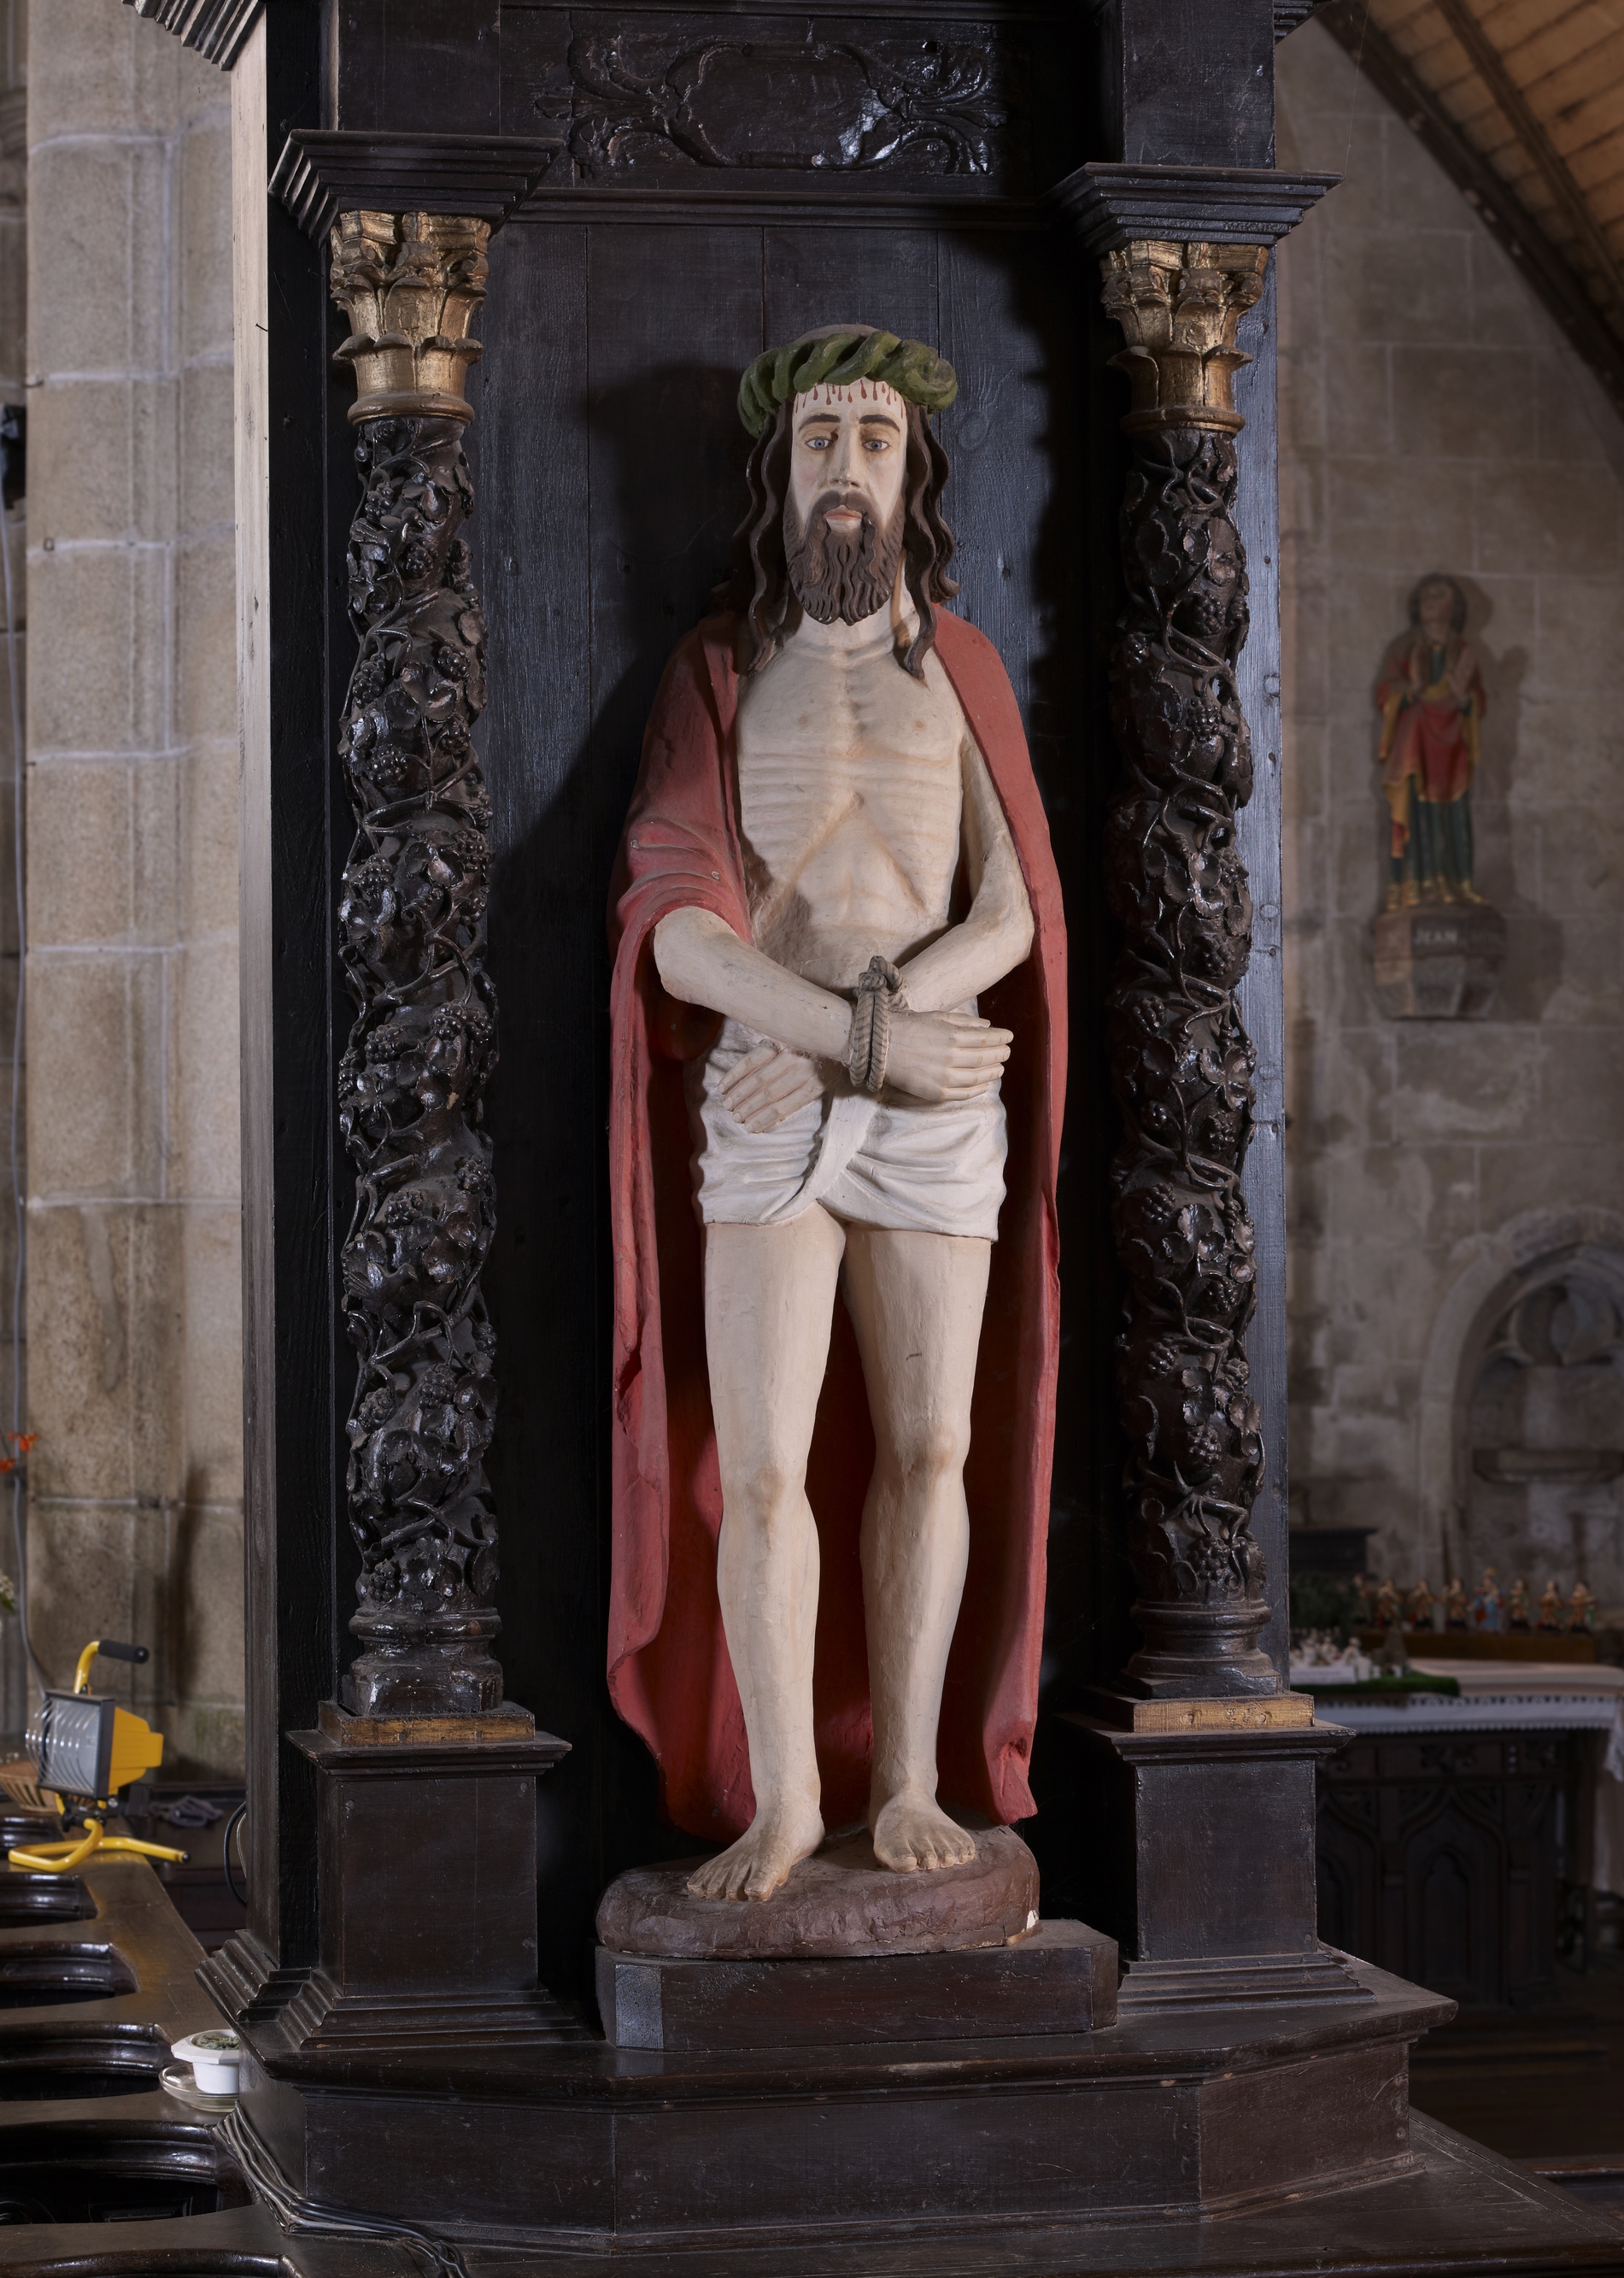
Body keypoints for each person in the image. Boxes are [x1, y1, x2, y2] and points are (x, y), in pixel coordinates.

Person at [607, 327, 1066, 1900]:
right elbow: (677, 925)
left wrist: (881, 1035)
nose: (848, 470)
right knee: (762, 1465)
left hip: (934, 1095)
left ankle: (913, 1778)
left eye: (875, 440)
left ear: (913, 468)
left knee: (933, 1443)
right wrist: (837, 1045)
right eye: (820, 441)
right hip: (768, 1091)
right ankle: (791, 1798)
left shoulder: (964, 674)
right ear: (780, 472)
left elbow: (1012, 910)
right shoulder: (721, 670)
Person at [1375, 573, 1486, 908]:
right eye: (1425, 596)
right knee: (1417, 811)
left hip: (1451, 746)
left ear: (1454, 607)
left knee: (1454, 813)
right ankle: (1413, 886)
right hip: (1415, 742)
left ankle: (1457, 884)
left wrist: (1464, 699)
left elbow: (1477, 699)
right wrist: (1412, 690)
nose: (1430, 601)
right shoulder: (1405, 647)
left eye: (1439, 595)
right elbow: (1385, 692)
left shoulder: (1463, 652)